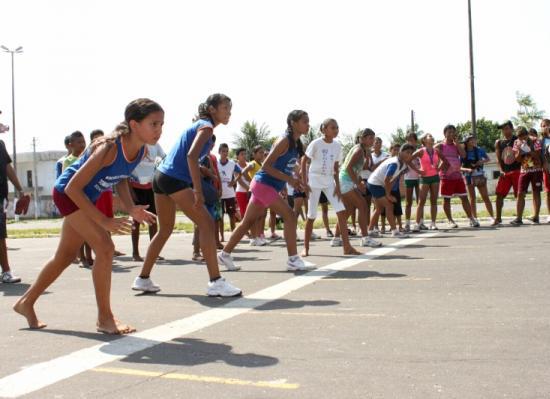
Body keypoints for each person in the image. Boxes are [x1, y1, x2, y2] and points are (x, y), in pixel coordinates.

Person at [14, 98, 161, 334]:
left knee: (64, 256)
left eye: (161, 124)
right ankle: (105, 318)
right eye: (154, 124)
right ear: (134, 124)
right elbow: (72, 187)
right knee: (104, 247)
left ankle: (26, 303)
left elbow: (122, 177)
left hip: (83, 197)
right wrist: (103, 220)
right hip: (67, 194)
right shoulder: (109, 147)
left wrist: (131, 207)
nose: (159, 130)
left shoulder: (140, 149)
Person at [132, 94, 241, 297]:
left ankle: (143, 279)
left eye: (230, 108)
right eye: (225, 107)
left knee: (164, 230)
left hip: (161, 176)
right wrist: (198, 191)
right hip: (173, 178)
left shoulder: (202, 126)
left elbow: (189, 157)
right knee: (208, 224)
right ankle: (216, 281)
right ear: (212, 109)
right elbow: (191, 156)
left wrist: (200, 178)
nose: (229, 112)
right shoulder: (206, 127)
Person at [217, 110, 314, 272]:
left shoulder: (297, 144)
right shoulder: (284, 141)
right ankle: (293, 259)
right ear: (293, 123)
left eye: (308, 121)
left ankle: (224, 254)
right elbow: (267, 166)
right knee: (290, 215)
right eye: (304, 121)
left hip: (268, 186)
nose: (308, 125)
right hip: (263, 184)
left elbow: (290, 165)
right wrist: (289, 179)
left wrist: (298, 180)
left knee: (247, 222)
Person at [301, 118, 361, 257]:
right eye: (332, 127)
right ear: (324, 129)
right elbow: (304, 161)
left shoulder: (337, 146)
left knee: (341, 210)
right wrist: (305, 183)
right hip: (315, 179)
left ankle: (347, 247)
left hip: (329, 180)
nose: (336, 130)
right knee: (311, 215)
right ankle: (306, 248)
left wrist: (337, 187)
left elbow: (335, 168)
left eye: (337, 127)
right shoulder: (316, 143)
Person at [335, 129, 382, 247]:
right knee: (362, 205)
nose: (373, 140)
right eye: (370, 138)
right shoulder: (358, 150)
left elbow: (358, 169)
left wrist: (359, 181)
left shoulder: (363, 151)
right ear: (363, 138)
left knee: (348, 210)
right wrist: (358, 184)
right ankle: (365, 238)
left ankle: (336, 238)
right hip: (346, 182)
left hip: (347, 181)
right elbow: (348, 168)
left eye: (373, 138)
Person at [367, 144, 416, 237]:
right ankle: (394, 231)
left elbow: (393, 179)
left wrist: (388, 193)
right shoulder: (395, 163)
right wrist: (388, 195)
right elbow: (386, 180)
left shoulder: (403, 164)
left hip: (377, 184)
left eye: (410, 153)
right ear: (400, 152)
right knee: (389, 205)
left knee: (379, 209)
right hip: (375, 184)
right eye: (407, 152)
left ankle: (370, 231)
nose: (409, 155)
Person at [435, 124, 478, 228]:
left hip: (457, 175)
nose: (451, 134)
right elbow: (431, 152)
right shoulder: (440, 145)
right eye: (449, 132)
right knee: (447, 199)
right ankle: (450, 220)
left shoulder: (457, 145)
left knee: (464, 197)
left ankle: (471, 219)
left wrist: (457, 143)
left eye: (453, 132)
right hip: (446, 176)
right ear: (444, 133)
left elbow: (463, 155)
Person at [129, 141, 165, 261]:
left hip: (150, 187)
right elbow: (127, 168)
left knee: (153, 220)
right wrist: (131, 192)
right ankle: (135, 253)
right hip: (136, 186)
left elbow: (165, 158)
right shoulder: (137, 144)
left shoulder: (156, 145)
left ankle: (153, 252)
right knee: (136, 221)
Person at [0, 129, 26, 284]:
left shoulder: (1, 144)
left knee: (0, 235)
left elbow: (8, 168)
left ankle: (6, 271)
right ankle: (6, 272)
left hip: (0, 197)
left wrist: (20, 190)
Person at [411, 133, 447, 231]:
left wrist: (439, 168)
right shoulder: (420, 151)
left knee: (434, 201)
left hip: (435, 177)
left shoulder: (436, 151)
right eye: (429, 136)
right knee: (421, 201)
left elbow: (445, 160)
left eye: (432, 136)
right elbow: (409, 160)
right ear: (424, 140)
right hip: (424, 178)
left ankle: (433, 223)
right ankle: (417, 224)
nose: (431, 137)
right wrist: (418, 171)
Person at [510, 127, 543, 225]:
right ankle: (518, 218)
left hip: (536, 170)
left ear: (526, 134)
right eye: (519, 137)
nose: (521, 139)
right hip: (524, 170)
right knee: (520, 193)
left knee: (536, 192)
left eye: (523, 136)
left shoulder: (535, 140)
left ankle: (536, 217)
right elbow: (517, 159)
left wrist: (529, 150)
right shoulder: (516, 142)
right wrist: (520, 151)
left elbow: (538, 156)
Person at [492, 121, 521, 226]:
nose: (505, 131)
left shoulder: (517, 140)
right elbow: (498, 159)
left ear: (512, 129)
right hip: (505, 172)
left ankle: (519, 218)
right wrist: (501, 170)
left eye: (507, 128)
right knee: (499, 195)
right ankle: (498, 218)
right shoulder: (499, 142)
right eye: (503, 129)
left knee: (519, 195)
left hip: (517, 171)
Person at [461, 136, 494, 222]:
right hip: (468, 176)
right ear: (466, 142)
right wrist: (467, 169)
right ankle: (474, 218)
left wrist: (481, 161)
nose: (474, 141)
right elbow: (459, 167)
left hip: (479, 175)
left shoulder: (480, 150)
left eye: (474, 139)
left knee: (485, 197)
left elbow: (488, 159)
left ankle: (492, 217)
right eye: (471, 139)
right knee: (472, 198)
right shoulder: (462, 152)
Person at [217, 143, 246, 240]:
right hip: (219, 194)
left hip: (230, 194)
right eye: (223, 151)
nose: (225, 153)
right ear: (219, 152)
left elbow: (241, 172)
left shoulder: (232, 163)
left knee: (232, 215)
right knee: (220, 217)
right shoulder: (215, 163)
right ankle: (222, 237)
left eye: (226, 151)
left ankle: (233, 235)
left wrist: (234, 181)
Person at [239, 145, 266, 246]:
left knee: (259, 216)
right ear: (254, 154)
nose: (262, 154)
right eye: (260, 152)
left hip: (260, 192)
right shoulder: (253, 163)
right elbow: (243, 171)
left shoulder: (262, 164)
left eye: (263, 152)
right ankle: (253, 238)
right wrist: (251, 181)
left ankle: (257, 236)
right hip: (254, 192)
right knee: (253, 216)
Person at [380, 143, 404, 232]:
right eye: (395, 150)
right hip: (384, 188)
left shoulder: (400, 161)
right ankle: (382, 226)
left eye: (398, 150)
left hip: (395, 188)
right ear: (390, 150)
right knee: (383, 208)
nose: (397, 152)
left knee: (397, 208)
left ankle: (400, 226)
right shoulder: (387, 161)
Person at [404, 133, 422, 232]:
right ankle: (407, 223)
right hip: (409, 178)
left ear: (416, 141)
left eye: (412, 140)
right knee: (408, 202)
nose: (410, 142)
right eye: (408, 140)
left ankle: (420, 222)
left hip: (419, 178)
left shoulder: (420, 151)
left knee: (420, 201)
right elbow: (405, 163)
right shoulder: (405, 151)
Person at [235, 148, 251, 223]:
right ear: (237, 156)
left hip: (250, 191)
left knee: (250, 211)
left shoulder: (249, 165)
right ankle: (244, 230)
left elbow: (252, 178)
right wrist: (248, 188)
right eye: (242, 154)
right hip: (240, 192)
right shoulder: (236, 166)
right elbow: (239, 180)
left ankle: (251, 229)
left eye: (245, 154)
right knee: (243, 211)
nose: (244, 156)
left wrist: (250, 188)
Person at [540, 119, 550, 223]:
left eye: (547, 125)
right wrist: (544, 163)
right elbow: (541, 154)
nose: (545, 127)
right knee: (548, 192)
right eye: (543, 126)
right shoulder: (541, 140)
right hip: (547, 168)